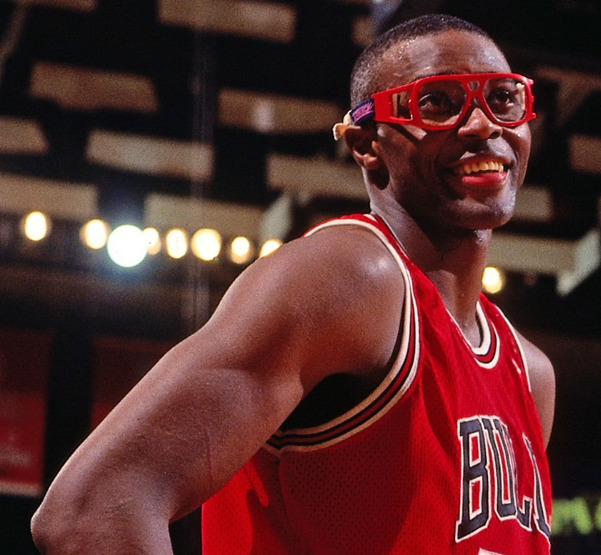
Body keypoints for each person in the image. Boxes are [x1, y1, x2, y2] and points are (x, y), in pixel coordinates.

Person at [31, 13, 555, 554]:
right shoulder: (349, 277)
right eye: (438, 103)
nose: (482, 124)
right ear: (367, 144)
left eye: (503, 98)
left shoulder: (531, 373)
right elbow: (91, 509)